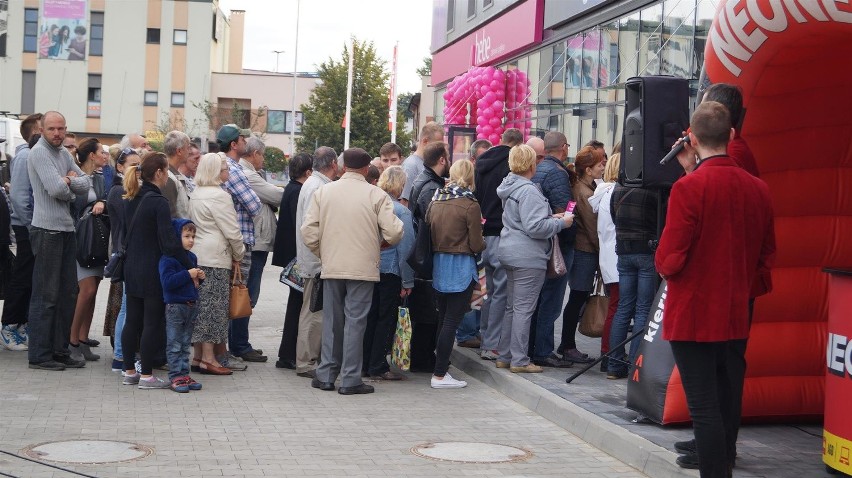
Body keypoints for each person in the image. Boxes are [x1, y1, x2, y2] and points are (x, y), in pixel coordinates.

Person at [657, 101, 775, 477]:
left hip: (693, 312)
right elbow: (767, 253)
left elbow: (669, 260)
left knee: (704, 407)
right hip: (735, 310)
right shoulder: (758, 188)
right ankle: (723, 463)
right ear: (732, 135)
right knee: (726, 399)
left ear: (691, 137)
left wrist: (689, 175)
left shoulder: (689, 189)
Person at [301, 148, 403, 395]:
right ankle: (350, 379)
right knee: (356, 323)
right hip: (363, 267)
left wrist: (324, 253)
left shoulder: (324, 192)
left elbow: (308, 232)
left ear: (343, 166)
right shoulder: (376, 195)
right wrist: (377, 245)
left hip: (333, 265)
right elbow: (395, 232)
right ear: (367, 169)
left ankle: (326, 374)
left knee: (333, 321)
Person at [495, 146, 574, 374]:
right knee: (523, 309)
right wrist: (561, 223)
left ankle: (505, 355)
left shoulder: (510, 186)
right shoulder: (528, 190)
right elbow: (535, 227)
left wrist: (550, 216)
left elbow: (525, 220)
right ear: (532, 164)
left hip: (510, 249)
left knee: (512, 307)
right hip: (527, 255)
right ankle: (519, 360)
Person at [121, 151, 192, 388]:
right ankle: (147, 375)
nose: (168, 177)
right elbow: (168, 242)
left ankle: (129, 370)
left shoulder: (132, 197)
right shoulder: (159, 202)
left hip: (131, 266)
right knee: (151, 322)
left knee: (132, 321)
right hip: (152, 269)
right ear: (159, 173)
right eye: (166, 172)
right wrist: (189, 263)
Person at [26, 111, 92, 371]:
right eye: (52, 129)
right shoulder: (40, 153)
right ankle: (40, 355)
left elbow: (85, 185)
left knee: (68, 293)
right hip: (46, 230)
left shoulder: (64, 153)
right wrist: (67, 183)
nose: (57, 133)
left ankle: (59, 349)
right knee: (46, 295)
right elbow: (55, 189)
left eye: (61, 128)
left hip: (65, 229)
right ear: (42, 129)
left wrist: (68, 183)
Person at [426, 159, 486, 388]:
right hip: (461, 265)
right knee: (452, 321)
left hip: (439, 264)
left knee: (443, 319)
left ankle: (439, 367)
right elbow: (476, 244)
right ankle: (440, 374)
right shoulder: (470, 204)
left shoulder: (436, 199)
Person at [189, 153, 245, 375]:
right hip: (216, 257)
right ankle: (210, 359)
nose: (228, 172)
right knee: (214, 309)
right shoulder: (220, 196)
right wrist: (239, 253)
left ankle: (198, 356)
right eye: (224, 168)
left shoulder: (196, 193)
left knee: (200, 307)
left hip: (197, 255)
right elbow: (232, 230)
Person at [606, 155, 660, 379]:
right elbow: (660, 219)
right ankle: (634, 366)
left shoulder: (618, 187)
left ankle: (613, 365)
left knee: (623, 308)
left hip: (624, 251)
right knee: (643, 309)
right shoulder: (653, 189)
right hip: (646, 251)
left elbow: (613, 216)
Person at [528, 131, 576, 368]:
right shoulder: (558, 174)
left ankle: (533, 347)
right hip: (557, 243)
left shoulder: (538, 170)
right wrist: (570, 235)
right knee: (551, 300)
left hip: (539, 242)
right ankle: (543, 350)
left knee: (539, 298)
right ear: (564, 148)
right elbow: (566, 209)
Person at [216, 124, 263, 364]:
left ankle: (233, 346)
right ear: (234, 144)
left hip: (232, 241)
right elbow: (254, 205)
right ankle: (232, 348)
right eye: (242, 138)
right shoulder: (232, 170)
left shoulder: (222, 166)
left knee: (233, 295)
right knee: (237, 295)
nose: (246, 141)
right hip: (238, 242)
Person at [474, 128, 523, 360]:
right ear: (517, 145)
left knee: (488, 292)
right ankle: (492, 344)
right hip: (501, 231)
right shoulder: (511, 164)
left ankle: (486, 337)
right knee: (501, 293)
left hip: (483, 233)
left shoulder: (482, 162)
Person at [362, 166, 415, 381]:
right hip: (391, 270)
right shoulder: (401, 211)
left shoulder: (370, 205)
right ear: (400, 184)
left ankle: (365, 362)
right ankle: (378, 365)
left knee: (369, 317)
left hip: (369, 268)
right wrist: (408, 280)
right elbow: (406, 249)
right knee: (386, 319)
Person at [294, 146, 339, 378]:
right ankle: (306, 362)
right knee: (313, 313)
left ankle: (309, 359)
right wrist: (322, 255)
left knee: (313, 311)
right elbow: (311, 229)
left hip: (315, 260)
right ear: (333, 163)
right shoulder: (317, 188)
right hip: (316, 262)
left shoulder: (315, 184)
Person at [558, 145, 605, 364]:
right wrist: (602, 252)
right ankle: (567, 345)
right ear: (588, 169)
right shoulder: (584, 191)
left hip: (585, 249)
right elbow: (592, 226)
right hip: (585, 251)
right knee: (577, 297)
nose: (603, 167)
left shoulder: (586, 187)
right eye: (599, 164)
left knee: (578, 298)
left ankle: (567, 344)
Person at [1, 113, 42, 351]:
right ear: (35, 132)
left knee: (30, 278)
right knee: (22, 277)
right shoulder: (25, 155)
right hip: (27, 227)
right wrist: (29, 225)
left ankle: (21, 325)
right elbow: (18, 196)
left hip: (32, 226)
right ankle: (9, 327)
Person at [68, 138, 109, 363]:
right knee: (87, 290)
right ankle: (72, 339)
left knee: (93, 292)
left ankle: (83, 340)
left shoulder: (101, 177)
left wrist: (101, 201)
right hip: (80, 238)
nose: (105, 155)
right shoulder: (76, 176)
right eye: (101, 152)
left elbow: (107, 197)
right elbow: (72, 204)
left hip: (96, 239)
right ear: (92, 155)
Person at [271, 153, 313, 370]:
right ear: (308, 172)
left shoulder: (291, 188)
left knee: (295, 304)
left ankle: (287, 353)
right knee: (297, 306)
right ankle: (288, 353)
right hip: (297, 258)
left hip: (291, 256)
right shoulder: (299, 192)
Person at [454, 138, 493, 349]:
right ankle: (467, 332)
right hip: (468, 248)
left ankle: (472, 331)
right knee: (471, 289)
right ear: (472, 160)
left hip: (478, 244)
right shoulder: (467, 191)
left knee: (480, 289)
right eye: (482, 158)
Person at [104, 148, 141, 371]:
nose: (137, 170)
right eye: (132, 165)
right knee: (127, 308)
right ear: (120, 167)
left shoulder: (131, 190)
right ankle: (120, 355)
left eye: (140, 165)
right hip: (126, 254)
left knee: (130, 307)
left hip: (131, 253)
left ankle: (123, 353)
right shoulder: (119, 191)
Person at [239, 136, 283, 317]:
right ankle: (240, 344)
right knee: (247, 294)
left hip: (257, 240)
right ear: (255, 153)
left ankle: (241, 342)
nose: (263, 159)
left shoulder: (250, 173)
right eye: (262, 155)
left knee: (248, 293)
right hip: (255, 242)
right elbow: (276, 196)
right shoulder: (247, 174)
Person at [159, 219, 205, 393]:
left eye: (193, 236)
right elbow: (167, 282)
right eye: (186, 236)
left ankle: (184, 373)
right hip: (175, 306)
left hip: (191, 305)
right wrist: (188, 274)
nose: (191, 240)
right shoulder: (167, 259)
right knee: (175, 343)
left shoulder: (192, 257)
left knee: (186, 344)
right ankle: (175, 375)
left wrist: (199, 277)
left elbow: (192, 281)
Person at [588, 152, 621, 374]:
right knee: (618, 307)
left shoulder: (603, 194)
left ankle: (608, 352)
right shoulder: (613, 194)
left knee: (616, 306)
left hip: (609, 256)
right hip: (616, 257)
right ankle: (609, 353)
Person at [400, 122, 444, 207]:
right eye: (437, 144)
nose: (440, 149)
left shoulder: (427, 163)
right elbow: (405, 202)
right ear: (425, 141)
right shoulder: (411, 166)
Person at [162, 131, 192, 218]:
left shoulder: (175, 175)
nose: (189, 151)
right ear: (179, 151)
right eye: (187, 148)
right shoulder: (168, 177)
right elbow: (170, 215)